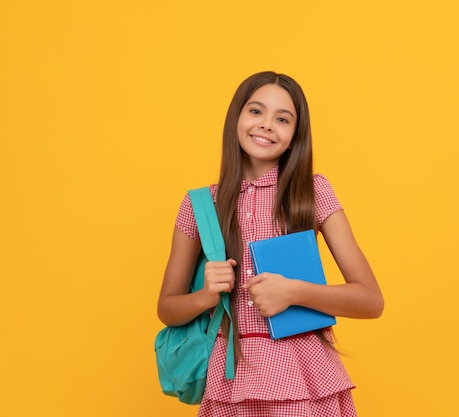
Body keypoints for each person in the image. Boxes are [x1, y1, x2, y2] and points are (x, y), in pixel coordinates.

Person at [157, 71, 384, 416]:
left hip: (305, 376)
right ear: (236, 117)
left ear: (295, 137)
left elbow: (370, 301)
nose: (266, 125)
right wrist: (206, 295)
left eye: (282, 119)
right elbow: (166, 308)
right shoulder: (201, 206)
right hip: (231, 381)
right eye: (256, 111)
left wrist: (294, 292)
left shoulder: (312, 193)